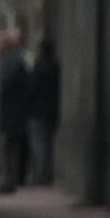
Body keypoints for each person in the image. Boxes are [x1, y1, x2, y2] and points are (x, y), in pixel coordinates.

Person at [0, 32, 30, 193]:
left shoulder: (9, 62)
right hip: (16, 113)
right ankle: (11, 180)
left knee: (7, 148)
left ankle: (8, 181)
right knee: (12, 148)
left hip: (10, 113)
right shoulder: (17, 60)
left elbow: (2, 86)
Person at [27, 39, 61, 186]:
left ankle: (41, 177)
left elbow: (31, 89)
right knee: (49, 145)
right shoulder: (56, 67)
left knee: (39, 145)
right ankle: (48, 174)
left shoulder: (39, 67)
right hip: (52, 111)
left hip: (38, 112)